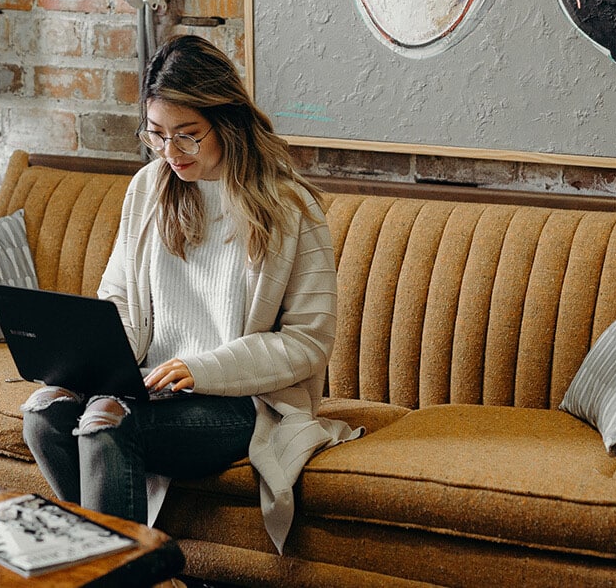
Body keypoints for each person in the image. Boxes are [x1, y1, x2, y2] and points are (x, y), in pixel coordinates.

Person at [20, 34, 361, 554]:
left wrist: (204, 369)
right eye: (156, 135)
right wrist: (89, 361)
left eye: (188, 135)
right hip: (147, 387)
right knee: (44, 414)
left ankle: (114, 570)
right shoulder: (148, 187)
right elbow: (119, 301)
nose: (170, 153)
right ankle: (115, 566)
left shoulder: (291, 208)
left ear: (227, 122)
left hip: (241, 401)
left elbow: (308, 341)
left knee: (107, 423)